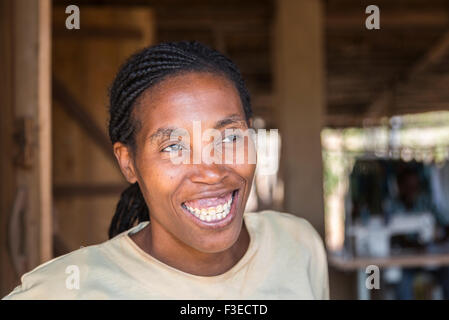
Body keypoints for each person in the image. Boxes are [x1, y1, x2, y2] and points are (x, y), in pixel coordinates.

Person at [3, 41, 329, 299]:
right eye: (173, 147)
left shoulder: (296, 244)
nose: (211, 171)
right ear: (128, 163)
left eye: (229, 137)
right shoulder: (64, 291)